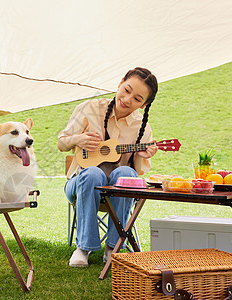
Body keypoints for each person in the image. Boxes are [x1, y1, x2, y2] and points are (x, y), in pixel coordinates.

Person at [57, 67, 159, 267]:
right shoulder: (89, 108)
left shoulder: (142, 127)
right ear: (120, 82)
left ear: (145, 104)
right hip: (80, 183)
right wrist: (79, 139)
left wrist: (141, 155)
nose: (128, 99)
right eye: (127, 90)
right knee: (93, 174)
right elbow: (62, 144)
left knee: (126, 172)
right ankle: (83, 248)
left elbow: (136, 174)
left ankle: (114, 246)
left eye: (137, 99)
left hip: (116, 192)